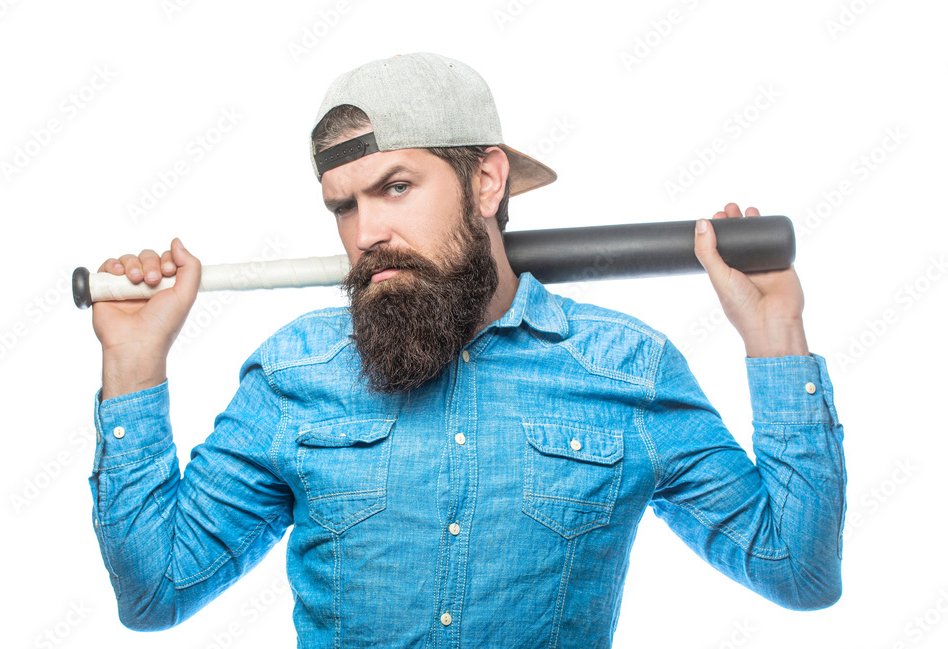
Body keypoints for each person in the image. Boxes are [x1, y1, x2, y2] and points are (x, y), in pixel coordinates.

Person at [87, 52, 846, 647]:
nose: (366, 234)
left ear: (485, 180)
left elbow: (798, 570)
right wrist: (133, 364)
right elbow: (155, 593)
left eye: (395, 187)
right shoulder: (293, 376)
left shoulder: (625, 369)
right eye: (344, 205)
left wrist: (774, 335)